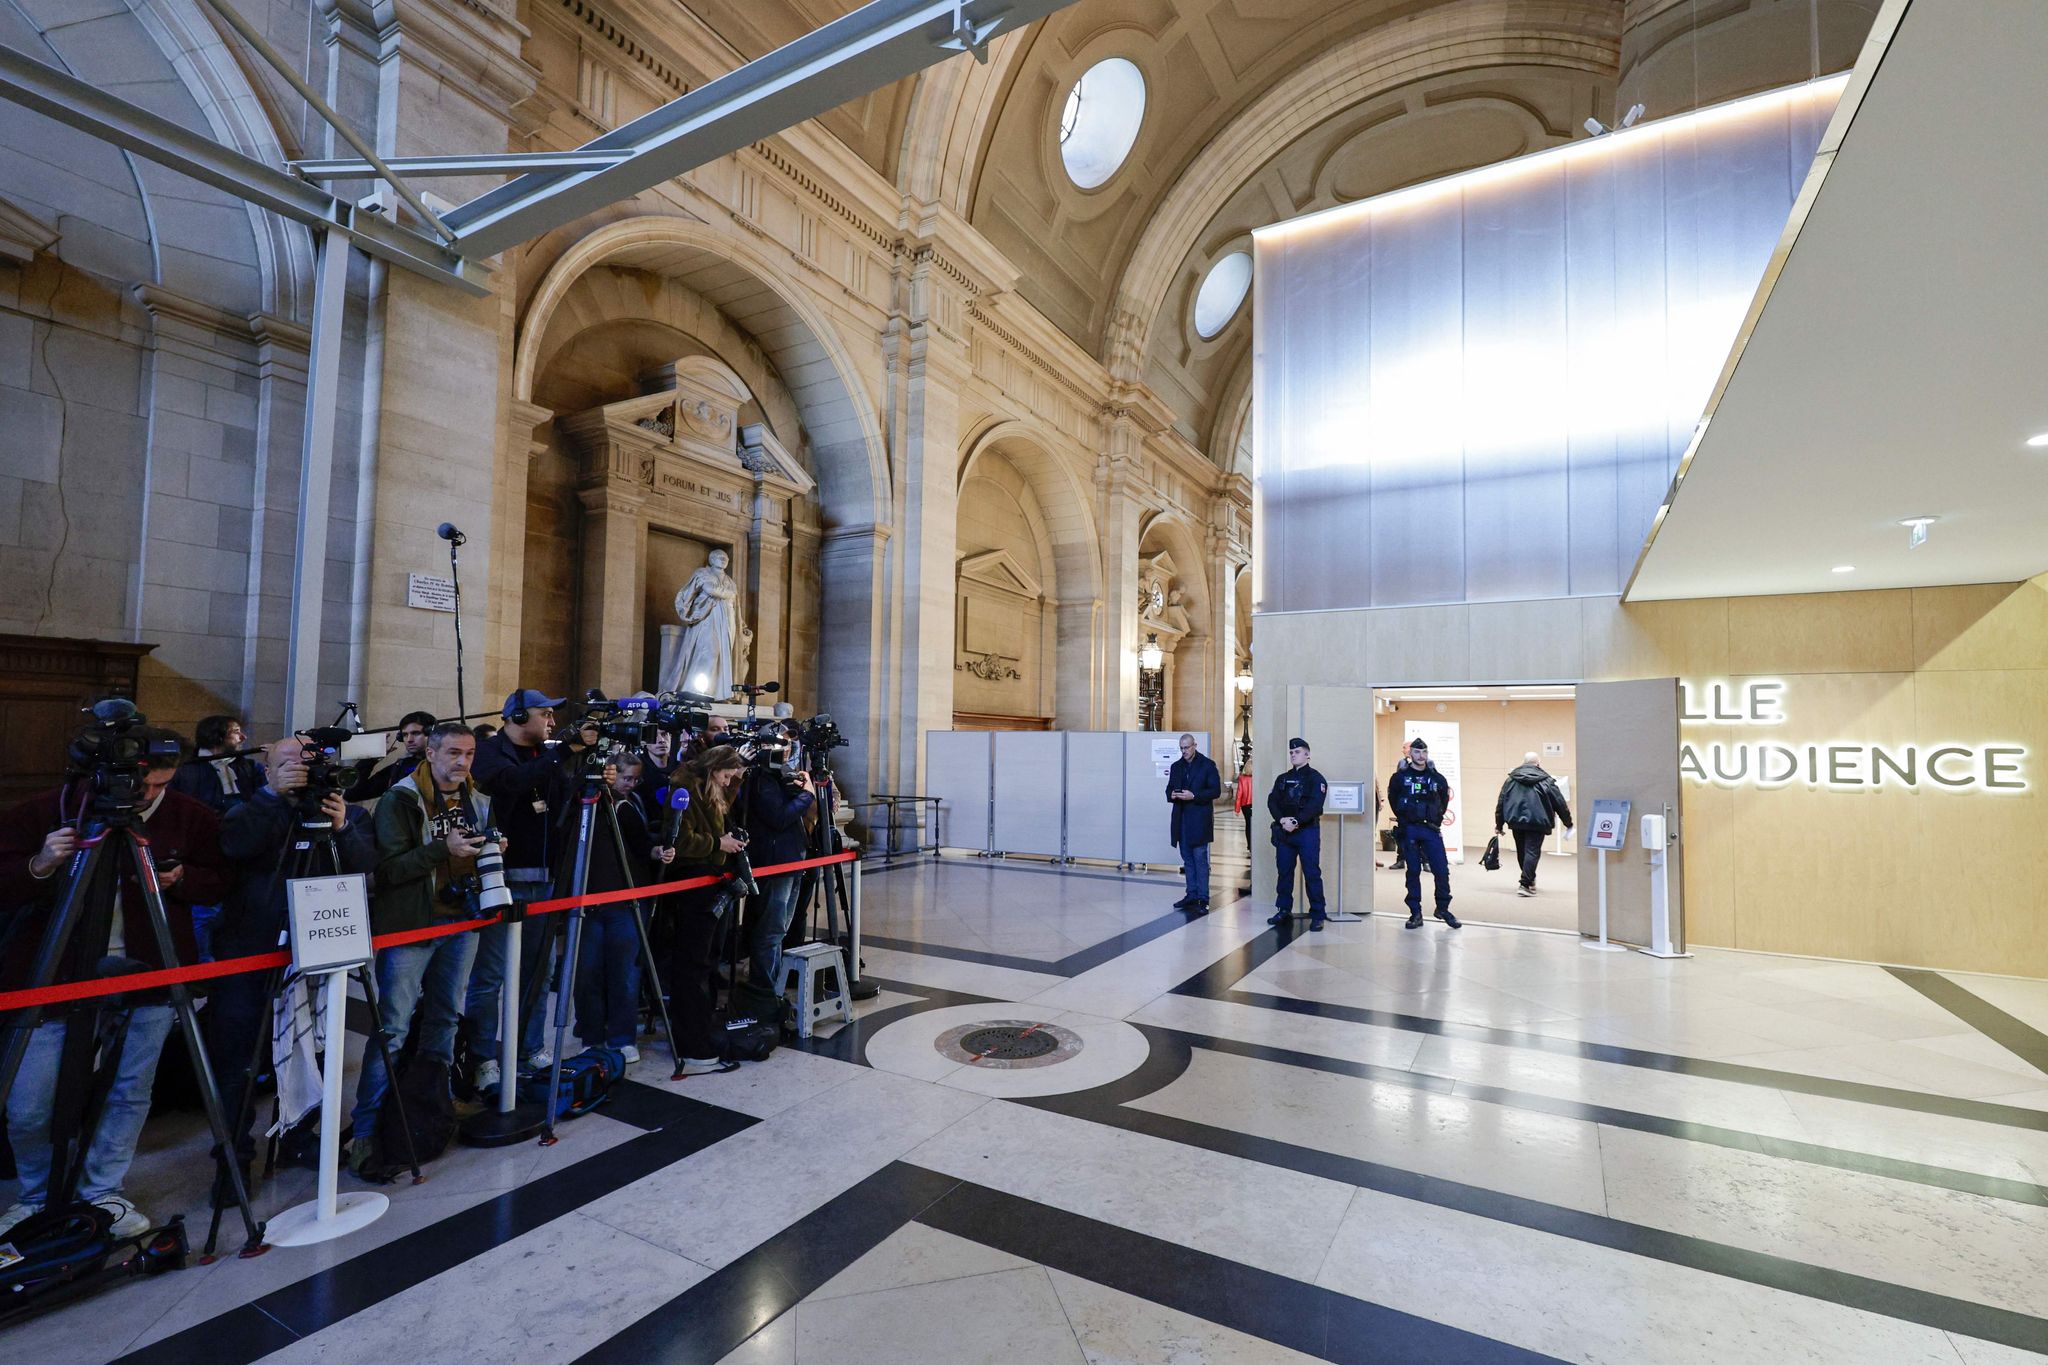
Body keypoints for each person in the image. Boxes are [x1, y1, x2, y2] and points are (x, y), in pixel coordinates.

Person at [0, 727, 229, 1237]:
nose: (146, 796)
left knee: (129, 1090)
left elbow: (219, 879)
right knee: (29, 1102)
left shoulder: (189, 815)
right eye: (141, 783)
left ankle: (103, 1190)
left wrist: (180, 879)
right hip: (54, 976)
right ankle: (37, 1194)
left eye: (160, 786)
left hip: (149, 970)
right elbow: (5, 880)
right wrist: (42, 864)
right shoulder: (50, 809)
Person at [209, 737, 375, 1172]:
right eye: (289, 765)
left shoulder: (344, 812)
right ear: (267, 771)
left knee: (313, 1047)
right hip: (251, 949)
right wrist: (272, 798)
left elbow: (364, 868)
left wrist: (342, 829)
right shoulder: (248, 808)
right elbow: (234, 846)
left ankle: (301, 1136)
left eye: (310, 764)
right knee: (239, 1057)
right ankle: (234, 1156)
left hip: (317, 949)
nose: (302, 772)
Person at [348, 722, 490, 1178]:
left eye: (468, 753)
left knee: (447, 1016)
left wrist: (489, 849)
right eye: (452, 752)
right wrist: (439, 849)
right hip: (413, 925)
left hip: (461, 920)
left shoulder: (473, 796)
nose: (461, 762)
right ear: (429, 753)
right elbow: (387, 871)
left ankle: (433, 1101)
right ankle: (366, 1128)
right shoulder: (401, 799)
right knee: (392, 1025)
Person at [465, 689, 591, 1090]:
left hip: (545, 876)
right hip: (502, 877)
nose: (551, 723)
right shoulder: (488, 752)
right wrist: (562, 752)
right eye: (545, 715)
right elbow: (512, 784)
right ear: (518, 716)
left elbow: (562, 802)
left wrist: (587, 771)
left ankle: (529, 1047)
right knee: (490, 975)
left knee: (540, 970)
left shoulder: (546, 758)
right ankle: (483, 1055)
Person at [572, 753, 671, 1063]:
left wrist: (657, 851)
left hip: (626, 899)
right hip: (588, 900)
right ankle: (592, 1035)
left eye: (635, 780)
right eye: (625, 778)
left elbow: (640, 845)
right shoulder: (585, 804)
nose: (630, 785)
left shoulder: (629, 806)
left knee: (625, 973)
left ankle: (622, 1036)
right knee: (587, 973)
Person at [665, 745, 748, 1077]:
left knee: (709, 961)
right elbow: (679, 841)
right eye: (728, 774)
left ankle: (704, 1029)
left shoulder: (710, 789)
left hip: (711, 882)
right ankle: (692, 1042)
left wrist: (729, 838)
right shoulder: (683, 788)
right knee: (693, 964)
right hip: (692, 885)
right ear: (715, 768)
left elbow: (717, 822)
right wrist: (718, 843)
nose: (729, 781)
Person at [740, 736, 817, 990]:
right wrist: (807, 795)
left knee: (781, 928)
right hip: (776, 862)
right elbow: (780, 817)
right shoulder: (761, 779)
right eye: (775, 745)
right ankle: (764, 989)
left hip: (792, 857)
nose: (782, 751)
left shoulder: (780, 775)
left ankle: (772, 984)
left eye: (786, 745)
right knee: (771, 930)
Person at [1388, 738, 1460, 930]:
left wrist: (1435, 819)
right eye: (1418, 752)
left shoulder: (1437, 778)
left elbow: (1443, 801)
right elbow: (1393, 799)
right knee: (1413, 871)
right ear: (1409, 754)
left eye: (1424, 752)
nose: (1421, 756)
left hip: (1431, 829)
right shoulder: (1399, 778)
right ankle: (1415, 913)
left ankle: (1443, 909)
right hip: (1409, 828)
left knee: (1441, 870)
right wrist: (1405, 818)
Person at [1266, 738, 1328, 931]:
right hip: (1285, 832)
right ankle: (1283, 909)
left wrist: (1296, 821)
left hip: (1306, 832)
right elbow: (1272, 801)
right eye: (1292, 752)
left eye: (1298, 752)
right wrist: (1282, 820)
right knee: (1284, 872)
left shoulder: (1316, 779)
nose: (1293, 755)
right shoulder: (1282, 778)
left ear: (1308, 754)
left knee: (1311, 873)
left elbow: (1315, 806)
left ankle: (1318, 914)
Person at [1494, 753, 1574, 897]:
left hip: (1516, 821)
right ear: (1538, 764)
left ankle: (1528, 880)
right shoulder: (1547, 781)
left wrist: (1499, 824)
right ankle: (1525, 883)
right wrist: (1568, 823)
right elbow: (1560, 803)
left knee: (1522, 851)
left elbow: (1501, 803)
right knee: (1532, 851)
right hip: (1538, 821)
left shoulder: (1511, 780)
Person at [1166, 733, 1221, 915]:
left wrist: (1194, 795)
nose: (1184, 751)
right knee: (1187, 860)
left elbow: (1215, 791)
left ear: (1194, 745)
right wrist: (1172, 794)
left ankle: (1203, 898)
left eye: (1187, 748)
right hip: (1181, 820)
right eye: (1181, 748)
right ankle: (1191, 894)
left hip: (1199, 820)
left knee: (1200, 860)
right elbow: (1168, 789)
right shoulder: (1176, 766)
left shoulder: (1207, 765)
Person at [170, 715, 262, 814]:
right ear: (217, 736)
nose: (243, 737)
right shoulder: (185, 767)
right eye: (236, 731)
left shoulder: (248, 765)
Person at [345, 710, 435, 803]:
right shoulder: (401, 766)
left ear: (432, 734)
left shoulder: (442, 764)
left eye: (416, 733)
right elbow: (352, 794)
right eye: (405, 735)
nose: (409, 740)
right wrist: (371, 759)